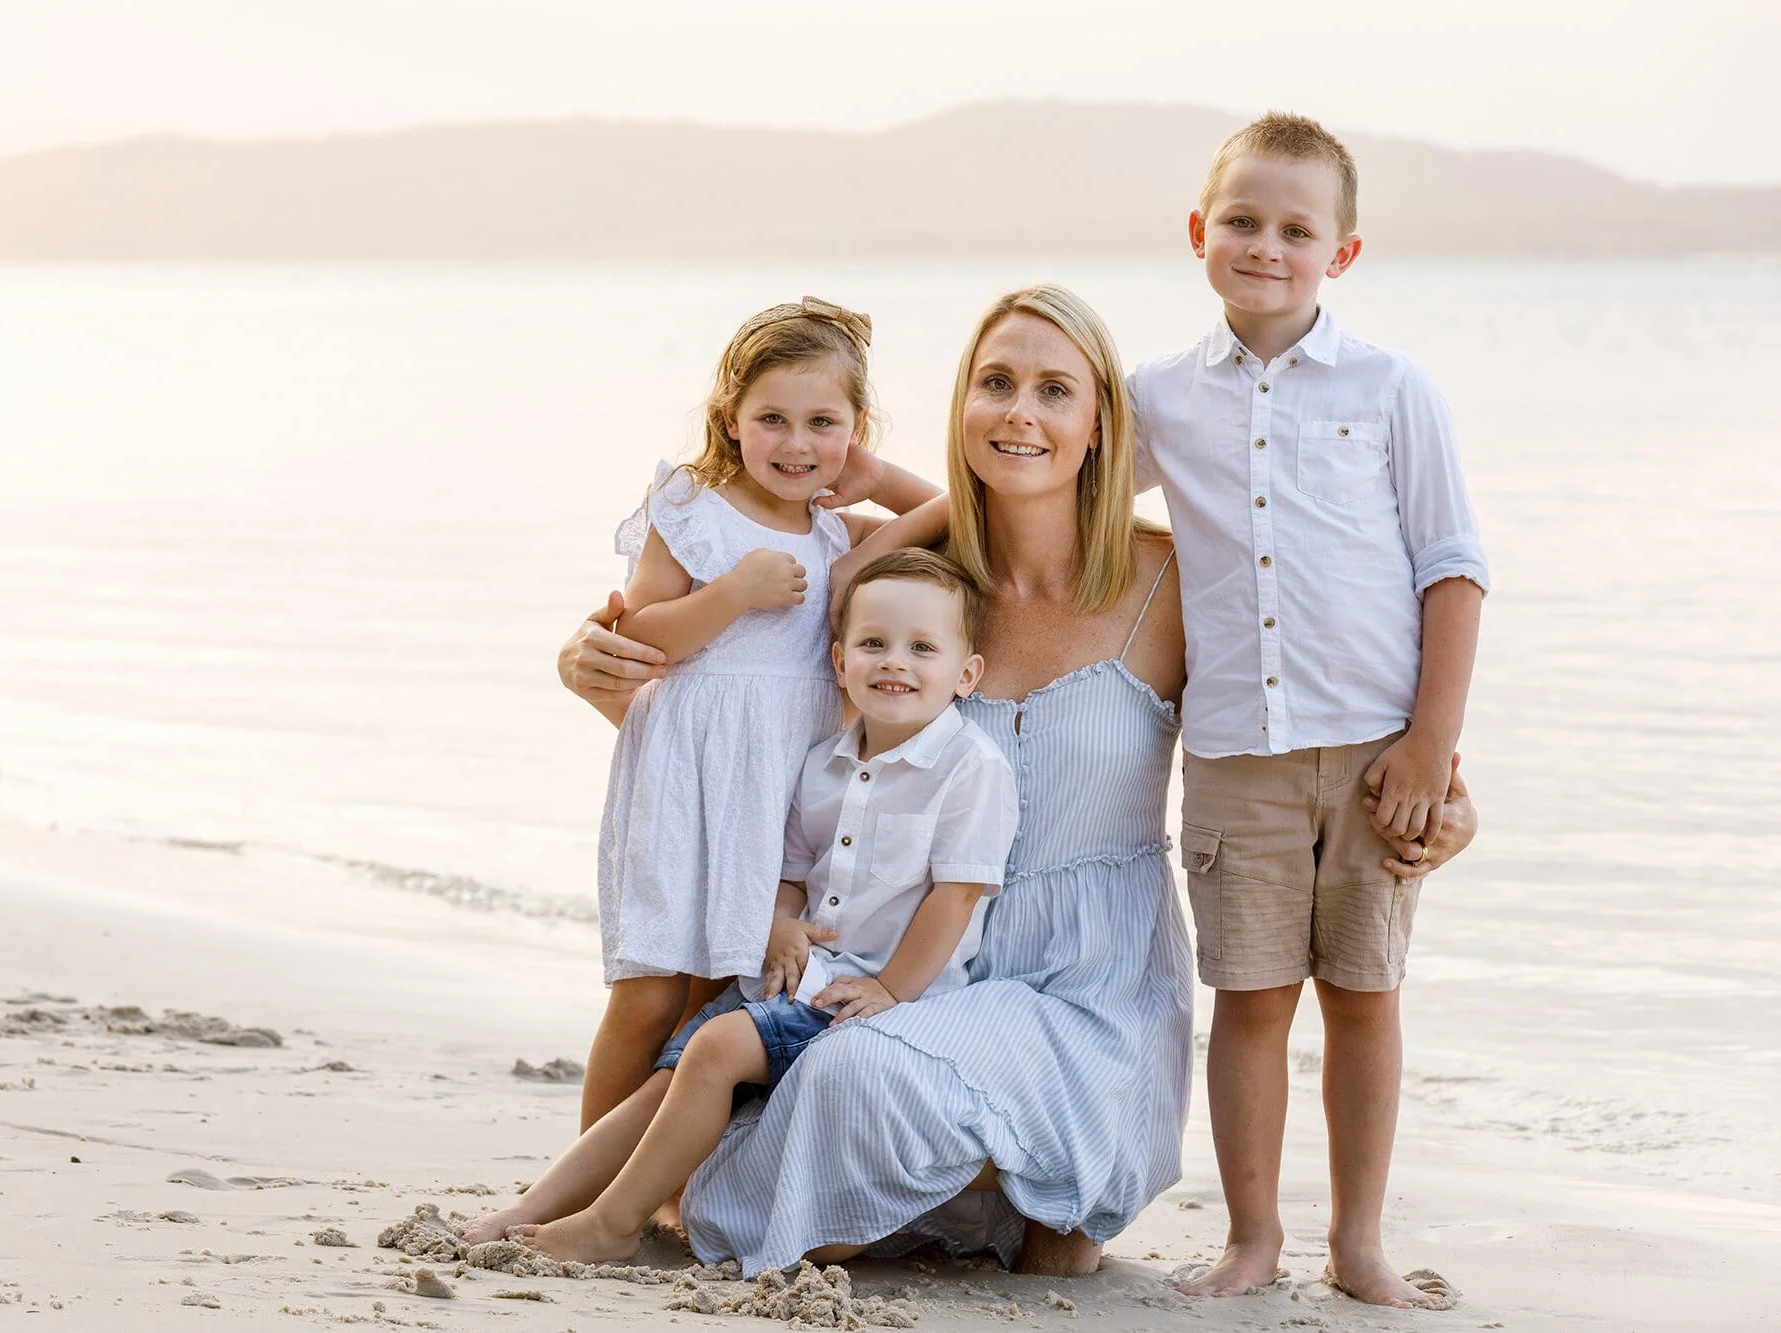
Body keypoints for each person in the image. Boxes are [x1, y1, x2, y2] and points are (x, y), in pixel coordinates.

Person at [555, 286, 1477, 1279]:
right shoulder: (910, 585)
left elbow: (1297, 706)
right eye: (993, 383)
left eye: (1052, 390)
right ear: (961, 406)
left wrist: (1430, 783)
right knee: (819, 1104)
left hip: (1095, 975)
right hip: (927, 958)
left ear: (1099, 428)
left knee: (1048, 1244)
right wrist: (594, 666)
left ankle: (984, 1174)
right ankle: (685, 1198)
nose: (1018, 411)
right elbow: (758, 701)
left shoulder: (1175, 581)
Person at [1129, 112, 1488, 1309]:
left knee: (1365, 1000)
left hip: (1378, 756)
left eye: (1295, 229)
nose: (1264, 245)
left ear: (1341, 252)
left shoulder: (1391, 388)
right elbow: (1034, 491)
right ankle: (1249, 1237)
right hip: (1235, 754)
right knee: (1248, 999)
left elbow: (1449, 566)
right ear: (1197, 232)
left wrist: (1431, 746)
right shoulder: (1161, 398)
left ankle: (1358, 1240)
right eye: (1240, 221)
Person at [466, 550, 1018, 1262]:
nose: (895, 662)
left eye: (923, 648)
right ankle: (541, 1204)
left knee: (716, 1047)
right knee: (662, 1082)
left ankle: (614, 1224)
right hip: (802, 977)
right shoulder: (823, 762)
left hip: (881, 999)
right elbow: (792, 872)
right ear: (839, 662)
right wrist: (782, 920)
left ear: (965, 673)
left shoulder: (972, 769)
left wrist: (890, 988)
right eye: (874, 643)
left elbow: (957, 893)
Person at [580, 296, 937, 1132]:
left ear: (855, 431)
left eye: (824, 422)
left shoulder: (837, 537)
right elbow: (641, 633)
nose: (797, 443)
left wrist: (879, 479)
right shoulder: (692, 507)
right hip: (684, 781)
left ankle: (659, 1182)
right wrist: (735, 592)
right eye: (772, 418)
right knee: (648, 991)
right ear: (730, 419)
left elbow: (960, 511)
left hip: (779, 795)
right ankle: (577, 1181)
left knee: (714, 994)